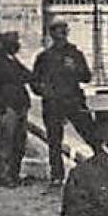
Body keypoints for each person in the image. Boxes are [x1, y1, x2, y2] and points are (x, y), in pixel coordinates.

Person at [33, 20, 98, 184]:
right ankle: (57, 175)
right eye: (58, 32)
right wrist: (43, 91)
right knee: (54, 141)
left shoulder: (75, 54)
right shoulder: (44, 57)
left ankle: (103, 167)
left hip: (74, 101)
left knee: (92, 135)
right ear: (51, 34)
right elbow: (34, 81)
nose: (62, 35)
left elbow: (87, 77)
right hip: (53, 103)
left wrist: (75, 68)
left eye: (64, 32)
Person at [0, 32, 36, 187]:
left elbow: (28, 75)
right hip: (8, 106)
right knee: (7, 142)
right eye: (13, 42)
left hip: (20, 104)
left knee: (19, 142)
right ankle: (3, 176)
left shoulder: (13, 60)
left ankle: (14, 174)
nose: (16, 45)